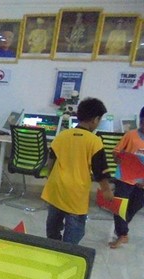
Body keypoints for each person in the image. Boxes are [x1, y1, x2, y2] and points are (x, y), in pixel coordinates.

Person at [41, 97, 113, 244]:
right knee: (75, 227)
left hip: (56, 188)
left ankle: (52, 245)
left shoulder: (62, 136)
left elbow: (51, 160)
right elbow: (100, 170)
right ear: (95, 119)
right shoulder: (94, 141)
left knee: (53, 223)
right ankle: (68, 251)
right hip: (76, 192)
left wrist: (50, 177)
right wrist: (106, 190)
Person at [108, 106, 144, 248]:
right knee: (119, 205)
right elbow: (116, 152)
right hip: (125, 177)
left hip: (142, 181)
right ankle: (122, 234)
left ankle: (122, 228)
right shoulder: (131, 135)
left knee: (134, 206)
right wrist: (119, 158)